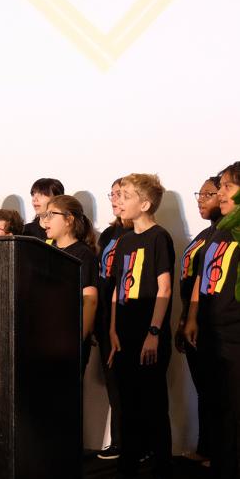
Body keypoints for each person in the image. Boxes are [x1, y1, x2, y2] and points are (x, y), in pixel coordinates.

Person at [100, 174, 175, 479]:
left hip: (149, 332)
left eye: (127, 195)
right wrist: (114, 331)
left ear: (144, 204)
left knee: (154, 407)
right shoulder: (125, 240)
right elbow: (118, 289)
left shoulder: (159, 238)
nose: (120, 201)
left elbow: (164, 288)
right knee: (128, 407)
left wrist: (154, 333)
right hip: (125, 333)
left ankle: (163, 476)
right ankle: (125, 475)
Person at [184, 161, 240, 479]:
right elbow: (203, 279)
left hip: (236, 331)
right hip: (212, 329)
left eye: (226, 187)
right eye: (218, 187)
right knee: (220, 406)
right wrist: (191, 317)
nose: (220, 193)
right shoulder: (219, 231)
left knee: (234, 409)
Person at [175, 176, 222, 464]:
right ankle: (207, 449)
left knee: (218, 394)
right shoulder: (205, 234)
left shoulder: (226, 235)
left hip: (212, 324)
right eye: (199, 194)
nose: (200, 200)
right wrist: (183, 320)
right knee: (205, 391)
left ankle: (219, 454)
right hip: (193, 324)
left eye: (209, 194)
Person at [95, 178, 132, 460]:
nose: (115, 199)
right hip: (105, 312)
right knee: (113, 382)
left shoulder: (141, 234)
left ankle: (129, 442)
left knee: (127, 383)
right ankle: (120, 440)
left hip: (127, 315)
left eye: (121, 194)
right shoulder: (108, 233)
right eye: (113, 194)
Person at [40, 195, 98, 373]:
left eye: (51, 215)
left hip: (68, 342)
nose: (45, 221)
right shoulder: (45, 250)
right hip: (45, 339)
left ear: (69, 220)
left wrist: (79, 340)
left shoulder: (83, 254)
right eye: (45, 215)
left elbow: (90, 300)